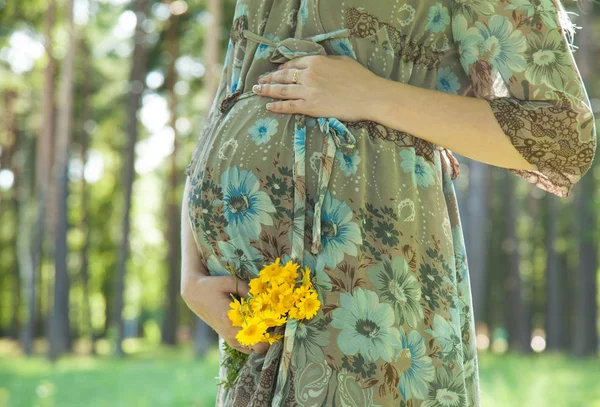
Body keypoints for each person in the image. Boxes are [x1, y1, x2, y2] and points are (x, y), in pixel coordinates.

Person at [180, 0, 596, 405]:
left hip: (374, 281)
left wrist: (372, 96)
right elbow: (232, 89)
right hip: (253, 306)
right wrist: (191, 275)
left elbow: (562, 139)